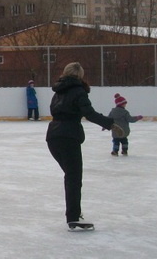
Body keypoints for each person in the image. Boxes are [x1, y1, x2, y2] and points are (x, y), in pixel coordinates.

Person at [46, 62, 124, 230]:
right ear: (80, 75)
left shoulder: (58, 92)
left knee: (71, 176)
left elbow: (57, 112)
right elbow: (89, 113)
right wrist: (110, 124)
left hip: (52, 137)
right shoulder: (78, 91)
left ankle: (74, 215)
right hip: (68, 137)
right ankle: (73, 217)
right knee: (74, 178)